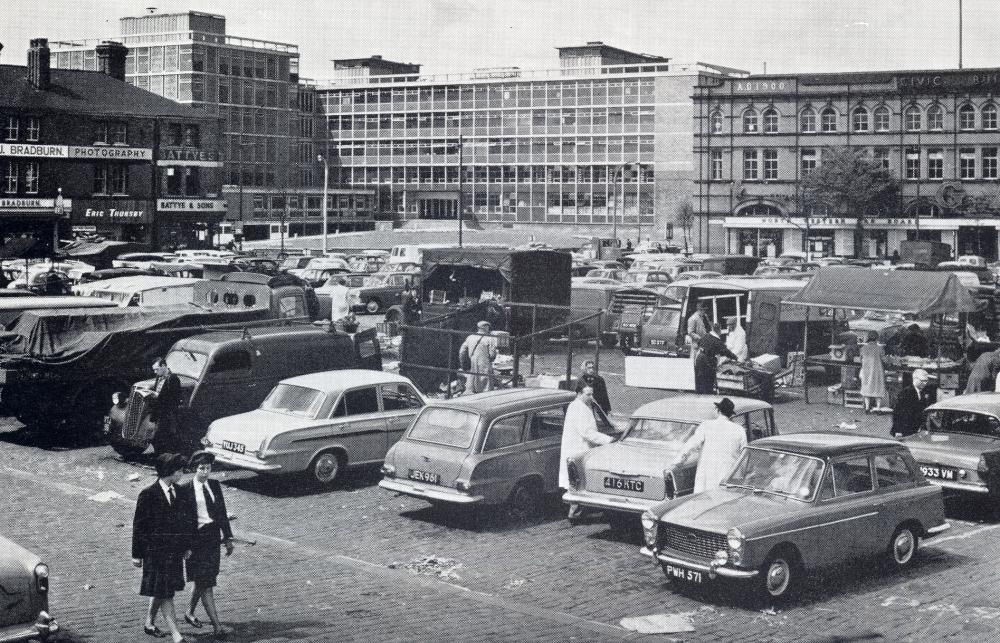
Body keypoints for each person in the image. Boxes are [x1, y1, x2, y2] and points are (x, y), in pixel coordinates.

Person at [132, 453, 193, 643]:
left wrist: (186, 546)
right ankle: (176, 634)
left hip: (173, 552)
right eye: (179, 470)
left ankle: (149, 622)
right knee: (166, 592)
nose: (182, 474)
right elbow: (139, 526)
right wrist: (137, 554)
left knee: (162, 589)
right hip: (155, 553)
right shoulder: (148, 494)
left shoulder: (180, 492)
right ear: (170, 472)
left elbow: (184, 523)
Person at [180, 452, 234, 640]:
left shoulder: (214, 486)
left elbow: (222, 512)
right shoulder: (185, 489)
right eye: (201, 468)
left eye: (208, 468)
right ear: (195, 469)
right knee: (206, 584)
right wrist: (185, 546)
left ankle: (189, 612)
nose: (205, 472)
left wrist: (228, 537)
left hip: (212, 538)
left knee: (204, 579)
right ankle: (217, 626)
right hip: (195, 541)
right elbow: (182, 521)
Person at [671, 398, 747, 494]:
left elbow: (691, 445)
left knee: (704, 504)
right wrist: (741, 476)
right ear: (730, 414)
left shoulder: (706, 425)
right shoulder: (739, 430)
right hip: (728, 477)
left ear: (718, 411)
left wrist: (678, 462)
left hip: (707, 475)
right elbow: (744, 456)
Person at [559, 386, 614, 518]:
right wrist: (608, 440)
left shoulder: (581, 406)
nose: (591, 397)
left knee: (578, 481)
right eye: (588, 394)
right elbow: (587, 432)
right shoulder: (578, 408)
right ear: (579, 394)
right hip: (577, 449)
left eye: (592, 394)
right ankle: (574, 514)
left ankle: (578, 512)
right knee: (577, 481)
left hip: (579, 448)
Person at [149, 358, 183, 453]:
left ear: (164, 366)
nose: (155, 372)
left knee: (158, 436)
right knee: (158, 436)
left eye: (157, 369)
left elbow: (174, 399)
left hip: (166, 414)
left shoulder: (173, 379)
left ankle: (162, 457)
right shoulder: (159, 378)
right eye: (154, 370)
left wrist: (157, 396)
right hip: (158, 413)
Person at [694, 322, 738, 395]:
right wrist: (735, 357)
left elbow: (699, 343)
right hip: (707, 360)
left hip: (699, 358)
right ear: (719, 331)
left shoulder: (706, 336)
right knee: (707, 381)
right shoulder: (717, 341)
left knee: (699, 380)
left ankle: (699, 396)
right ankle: (707, 396)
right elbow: (726, 351)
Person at [891, 369, 936, 437]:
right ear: (915, 379)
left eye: (926, 381)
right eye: (922, 380)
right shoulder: (905, 393)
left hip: (917, 430)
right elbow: (898, 412)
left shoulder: (923, 392)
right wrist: (898, 430)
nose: (925, 383)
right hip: (905, 430)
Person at [458, 321, 498, 394]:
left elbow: (462, 352)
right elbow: (492, 354)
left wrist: (463, 363)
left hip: (473, 362)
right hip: (485, 364)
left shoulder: (470, 337)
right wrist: (491, 359)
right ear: (486, 328)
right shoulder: (490, 339)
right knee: (486, 387)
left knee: (472, 384)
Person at [859, 331, 887, 412]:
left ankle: (867, 408)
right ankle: (878, 408)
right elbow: (884, 359)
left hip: (866, 370)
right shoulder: (879, 348)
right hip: (877, 371)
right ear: (877, 338)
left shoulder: (863, 348)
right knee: (878, 387)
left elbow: (861, 359)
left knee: (866, 386)